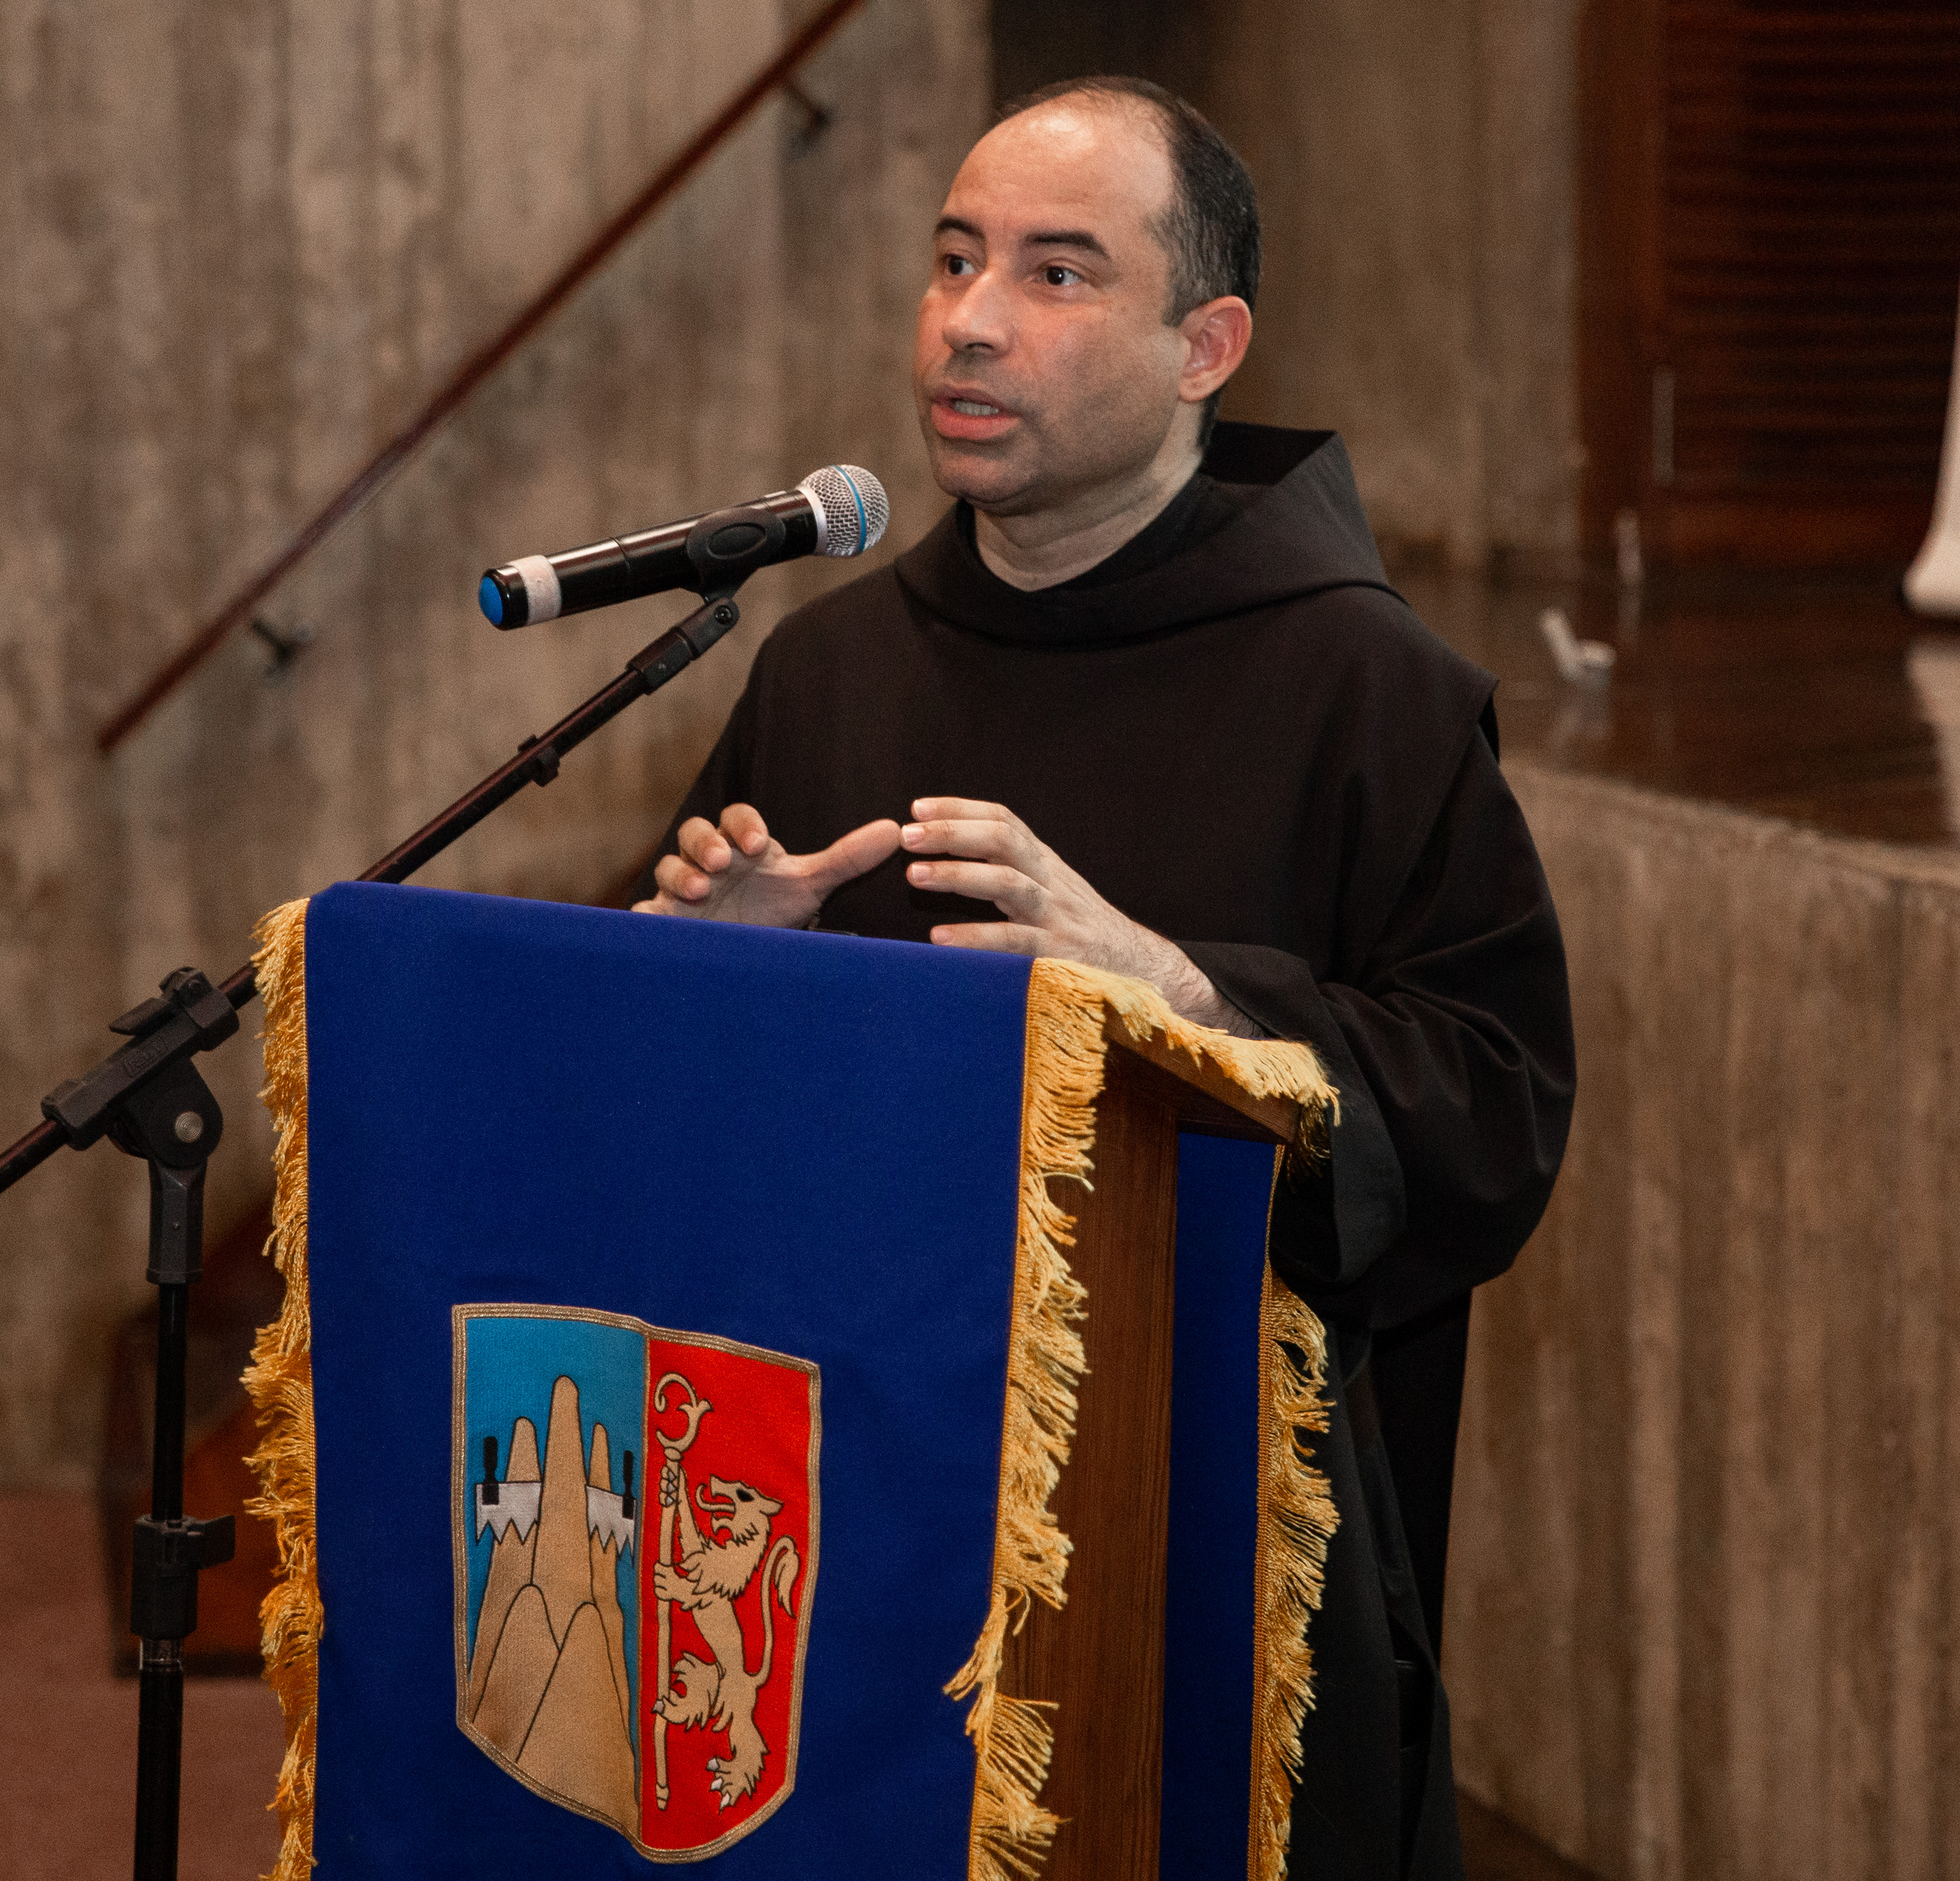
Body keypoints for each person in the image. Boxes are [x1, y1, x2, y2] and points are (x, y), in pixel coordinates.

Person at [635, 75, 1573, 1880]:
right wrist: (723, 985)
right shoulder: (827, 673)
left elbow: (1494, 1107)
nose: (971, 318)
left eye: (1059, 274)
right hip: (858, 1506)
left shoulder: (1364, 690)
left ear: (1203, 343)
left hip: (1207, 1530)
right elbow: (695, 1166)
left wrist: (1182, 993)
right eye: (953, 259)